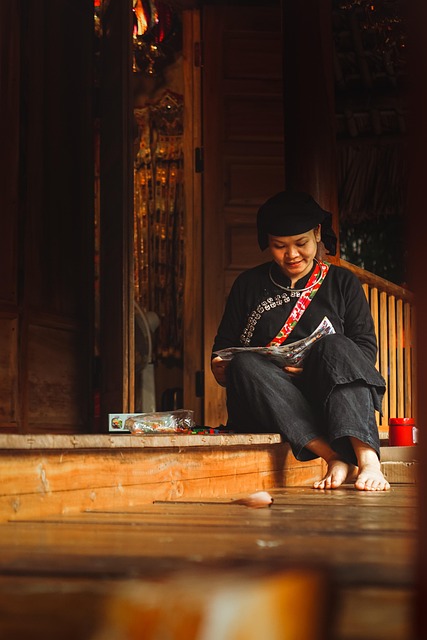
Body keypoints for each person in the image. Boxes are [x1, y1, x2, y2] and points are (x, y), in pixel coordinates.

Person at [211, 190, 390, 492]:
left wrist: (313, 370)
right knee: (244, 363)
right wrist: (220, 365)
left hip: (327, 396)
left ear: (317, 233)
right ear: (268, 242)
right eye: (280, 246)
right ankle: (334, 457)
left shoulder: (341, 282)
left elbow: (364, 351)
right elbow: (223, 347)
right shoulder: (248, 284)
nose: (291, 254)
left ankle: (368, 460)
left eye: (301, 243)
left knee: (338, 346)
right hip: (271, 400)